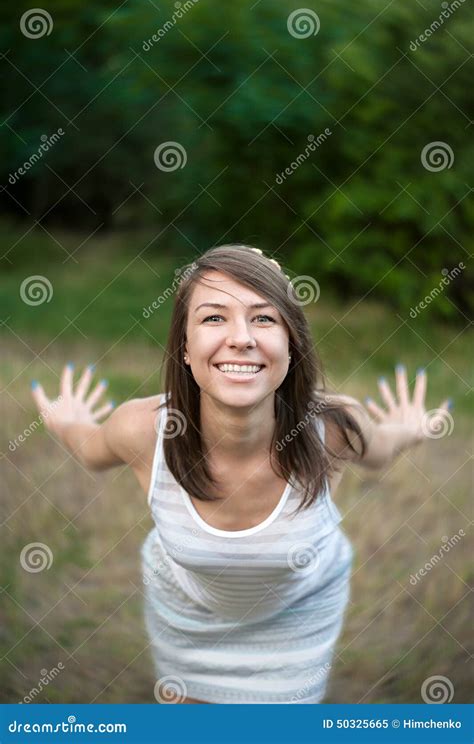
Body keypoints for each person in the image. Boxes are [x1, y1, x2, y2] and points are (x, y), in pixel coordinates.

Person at [31, 244, 452, 704]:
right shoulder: (145, 431)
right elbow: (90, 449)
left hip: (299, 615)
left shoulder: (331, 429)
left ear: (291, 347)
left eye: (264, 318)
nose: (242, 338)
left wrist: (413, 428)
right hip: (187, 616)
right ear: (186, 350)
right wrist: (64, 419)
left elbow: (381, 448)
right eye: (214, 318)